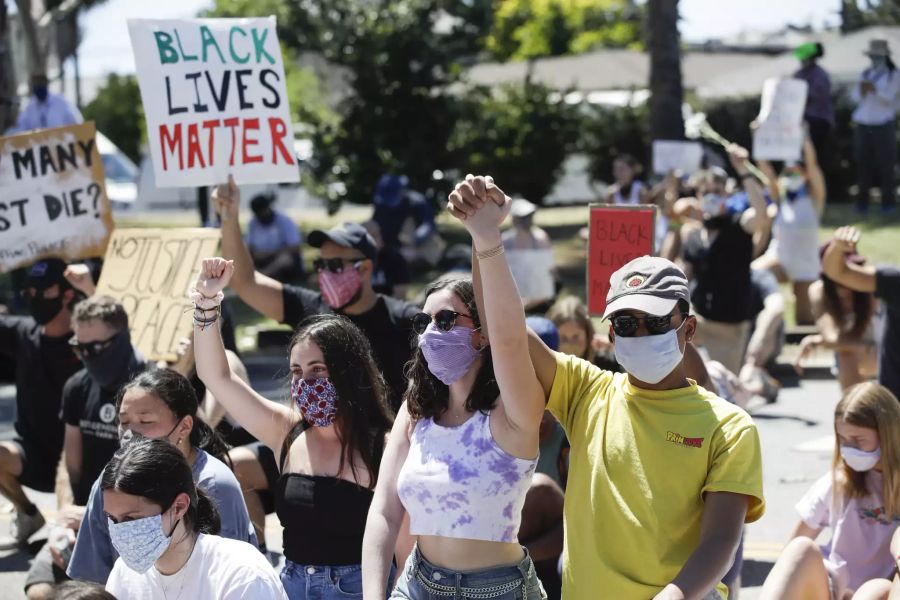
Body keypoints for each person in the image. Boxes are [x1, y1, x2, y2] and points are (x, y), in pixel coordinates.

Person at [449, 179, 764, 599]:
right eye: (626, 324)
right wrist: (484, 236)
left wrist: (672, 596)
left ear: (688, 328)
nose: (640, 333)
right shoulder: (586, 391)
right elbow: (501, 329)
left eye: (654, 322)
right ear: (611, 336)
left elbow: (722, 540)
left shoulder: (730, 426)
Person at [364, 176, 547, 600]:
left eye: (446, 321)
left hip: (497, 591)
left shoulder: (512, 411)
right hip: (418, 583)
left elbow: (510, 337)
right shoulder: (417, 411)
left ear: (481, 335)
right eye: (424, 322)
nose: (431, 332)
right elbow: (384, 512)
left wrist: (485, 236)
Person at [192, 257, 400, 600]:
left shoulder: (385, 445)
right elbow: (216, 376)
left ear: (348, 373)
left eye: (318, 370)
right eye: (297, 372)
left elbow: (406, 545)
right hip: (291, 586)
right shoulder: (286, 433)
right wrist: (206, 302)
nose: (306, 382)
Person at [214, 176, 418, 410]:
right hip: (322, 441)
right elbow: (245, 282)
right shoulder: (311, 309)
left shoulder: (403, 321)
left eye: (335, 266)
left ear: (365, 269)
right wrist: (228, 217)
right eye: (320, 265)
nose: (325, 273)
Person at [67, 369, 255, 584]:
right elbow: (91, 578)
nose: (130, 433)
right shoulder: (112, 479)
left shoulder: (214, 483)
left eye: (145, 422)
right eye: (124, 422)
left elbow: (228, 577)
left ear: (183, 427)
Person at [25, 296, 147, 600]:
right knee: (40, 591)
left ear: (122, 339)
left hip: (135, 523)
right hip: (82, 521)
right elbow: (69, 464)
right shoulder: (77, 387)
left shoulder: (150, 388)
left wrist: (98, 516)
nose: (88, 356)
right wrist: (63, 518)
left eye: (96, 348)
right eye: (80, 348)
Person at [759, 382, 900, 600]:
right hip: (833, 588)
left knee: (875, 590)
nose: (849, 448)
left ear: (887, 435)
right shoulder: (839, 481)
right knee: (800, 549)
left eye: (858, 440)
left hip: (882, 591)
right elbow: (795, 543)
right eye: (843, 439)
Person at [102, 436, 287, 599]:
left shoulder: (242, 574)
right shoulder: (123, 574)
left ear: (179, 507)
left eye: (132, 519)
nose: (120, 531)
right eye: (112, 518)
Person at [0, 259, 82, 548]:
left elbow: (124, 327)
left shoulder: (88, 342)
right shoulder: (23, 334)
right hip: (33, 457)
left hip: (81, 462)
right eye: (28, 293)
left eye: (42, 292)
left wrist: (91, 286)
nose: (34, 299)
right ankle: (27, 513)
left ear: (67, 294)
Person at [679, 145, 768, 374]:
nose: (711, 196)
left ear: (726, 195)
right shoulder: (694, 235)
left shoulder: (739, 225)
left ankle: (758, 384)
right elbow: (683, 278)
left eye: (717, 191)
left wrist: (743, 170)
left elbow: (760, 216)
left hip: (729, 326)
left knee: (726, 392)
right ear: (698, 196)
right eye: (706, 191)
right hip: (697, 320)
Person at [821, 226, 900, 401]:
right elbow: (838, 272)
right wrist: (838, 246)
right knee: (846, 356)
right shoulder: (894, 281)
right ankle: (855, 412)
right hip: (893, 404)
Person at [754, 137, 826, 325]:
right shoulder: (780, 199)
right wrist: (759, 137)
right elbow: (767, 171)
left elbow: (812, 164)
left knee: (804, 320)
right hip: (780, 258)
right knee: (752, 276)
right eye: (787, 173)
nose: (790, 177)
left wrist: (804, 137)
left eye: (795, 172)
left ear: (805, 175)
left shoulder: (814, 199)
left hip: (806, 265)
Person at [851, 39, 900, 214]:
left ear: (885, 57)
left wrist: (875, 90)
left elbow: (889, 99)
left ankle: (888, 202)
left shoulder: (894, 75)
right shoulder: (865, 73)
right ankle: (862, 202)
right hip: (864, 123)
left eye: (878, 56)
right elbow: (855, 98)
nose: (874, 60)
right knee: (863, 164)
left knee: (886, 164)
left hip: (883, 123)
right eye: (872, 56)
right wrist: (863, 91)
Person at [371, 174, 444, 268]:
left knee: (409, 225)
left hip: (414, 244)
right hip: (391, 245)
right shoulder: (381, 203)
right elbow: (376, 226)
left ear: (402, 192)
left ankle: (420, 260)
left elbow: (428, 225)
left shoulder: (416, 202)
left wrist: (413, 242)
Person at [502, 198, 557, 312]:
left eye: (529, 216)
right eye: (523, 218)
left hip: (539, 299)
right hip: (512, 297)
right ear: (514, 219)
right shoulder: (506, 241)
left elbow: (549, 272)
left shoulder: (541, 238)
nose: (527, 221)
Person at [740, 268, 785, 404]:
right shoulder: (705, 271)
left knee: (767, 317)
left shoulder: (759, 276)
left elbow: (776, 307)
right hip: (726, 341)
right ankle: (757, 384)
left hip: (756, 346)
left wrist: (758, 340)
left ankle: (751, 372)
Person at [793, 42, 834, 175]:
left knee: (815, 157)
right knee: (800, 158)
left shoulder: (820, 75)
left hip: (818, 122)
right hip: (802, 122)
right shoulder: (799, 74)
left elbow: (815, 96)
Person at [245, 192, 304, 283]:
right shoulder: (253, 223)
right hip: (261, 257)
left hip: (281, 257)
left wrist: (272, 253)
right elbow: (250, 246)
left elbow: (295, 246)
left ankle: (263, 275)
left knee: (285, 259)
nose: (262, 216)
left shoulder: (284, 221)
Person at [7, 73, 83, 134]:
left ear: (46, 85)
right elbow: (20, 129)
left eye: (41, 85)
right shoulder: (29, 108)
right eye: (36, 86)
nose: (39, 88)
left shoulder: (61, 103)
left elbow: (76, 123)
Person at [363, 220, 411, 299]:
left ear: (380, 236)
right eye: (366, 238)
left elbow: (400, 295)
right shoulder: (353, 261)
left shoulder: (395, 259)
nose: (370, 240)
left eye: (374, 236)